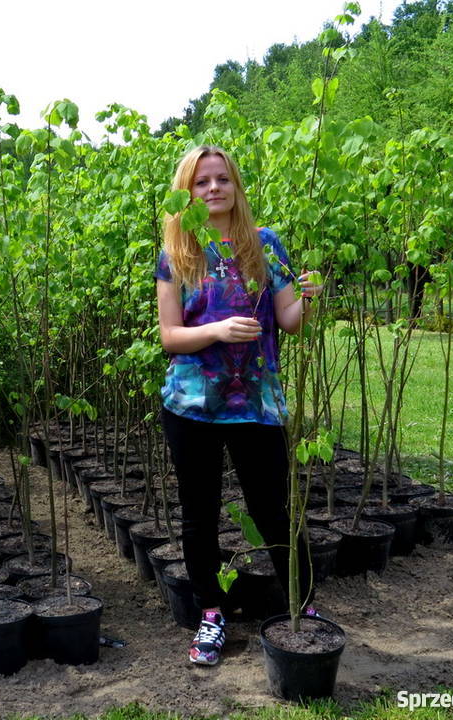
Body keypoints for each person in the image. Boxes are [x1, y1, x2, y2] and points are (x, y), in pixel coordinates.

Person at [154, 145, 324, 666]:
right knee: (199, 516)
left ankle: (303, 605)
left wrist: (309, 297)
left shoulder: (265, 245)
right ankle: (211, 614)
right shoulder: (177, 253)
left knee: (272, 510)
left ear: (235, 187)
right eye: (201, 181)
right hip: (192, 406)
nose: (212, 189)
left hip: (256, 403)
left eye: (221, 179)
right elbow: (169, 336)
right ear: (188, 190)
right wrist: (217, 330)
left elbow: (291, 321)